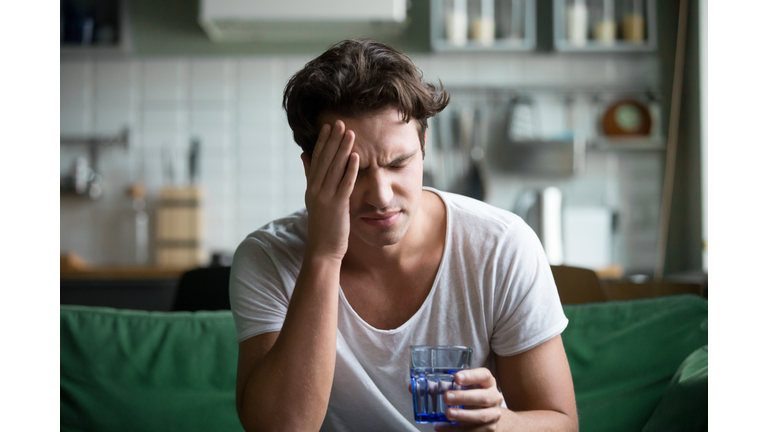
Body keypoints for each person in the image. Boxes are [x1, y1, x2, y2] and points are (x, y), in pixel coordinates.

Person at [229, 39, 578, 432]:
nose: (381, 195)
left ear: (424, 145)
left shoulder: (501, 246)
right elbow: (281, 428)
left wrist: (501, 425)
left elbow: (562, 423)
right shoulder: (268, 258)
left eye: (399, 163)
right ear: (311, 170)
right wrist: (324, 255)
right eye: (354, 170)